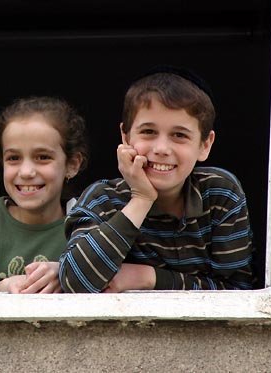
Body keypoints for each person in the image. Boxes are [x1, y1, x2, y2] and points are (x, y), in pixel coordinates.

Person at [59, 67, 255, 292]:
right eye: (148, 132)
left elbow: (238, 292)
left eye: (179, 135)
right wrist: (141, 199)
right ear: (125, 136)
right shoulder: (102, 199)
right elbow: (75, 284)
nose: (162, 149)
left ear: (205, 145)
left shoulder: (220, 195)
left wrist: (148, 277)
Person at [0, 96, 89, 293]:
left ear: (72, 164)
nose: (26, 171)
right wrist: (7, 285)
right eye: (13, 158)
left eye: (43, 157)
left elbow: (105, 280)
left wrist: (64, 273)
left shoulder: (87, 220)